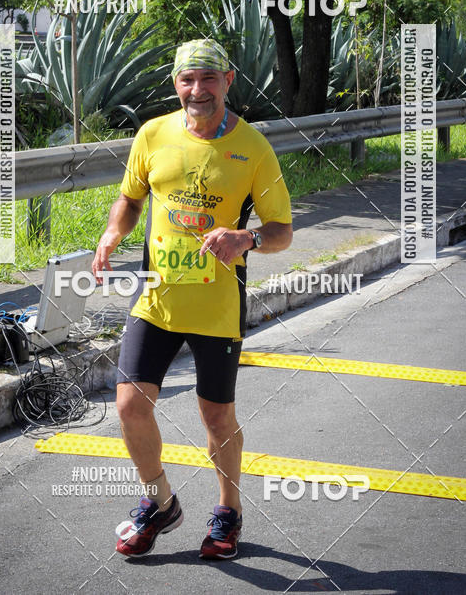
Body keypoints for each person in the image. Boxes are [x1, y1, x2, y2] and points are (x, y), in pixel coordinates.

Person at [92, 38, 293, 559]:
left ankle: (228, 510)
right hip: (156, 300)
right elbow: (130, 198)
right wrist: (113, 234)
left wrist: (245, 238)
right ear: (176, 84)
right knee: (130, 405)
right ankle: (160, 503)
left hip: (217, 306)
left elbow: (282, 231)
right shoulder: (152, 134)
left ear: (228, 81)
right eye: (188, 79)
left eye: (209, 79)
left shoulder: (253, 148)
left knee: (215, 417)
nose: (197, 90)